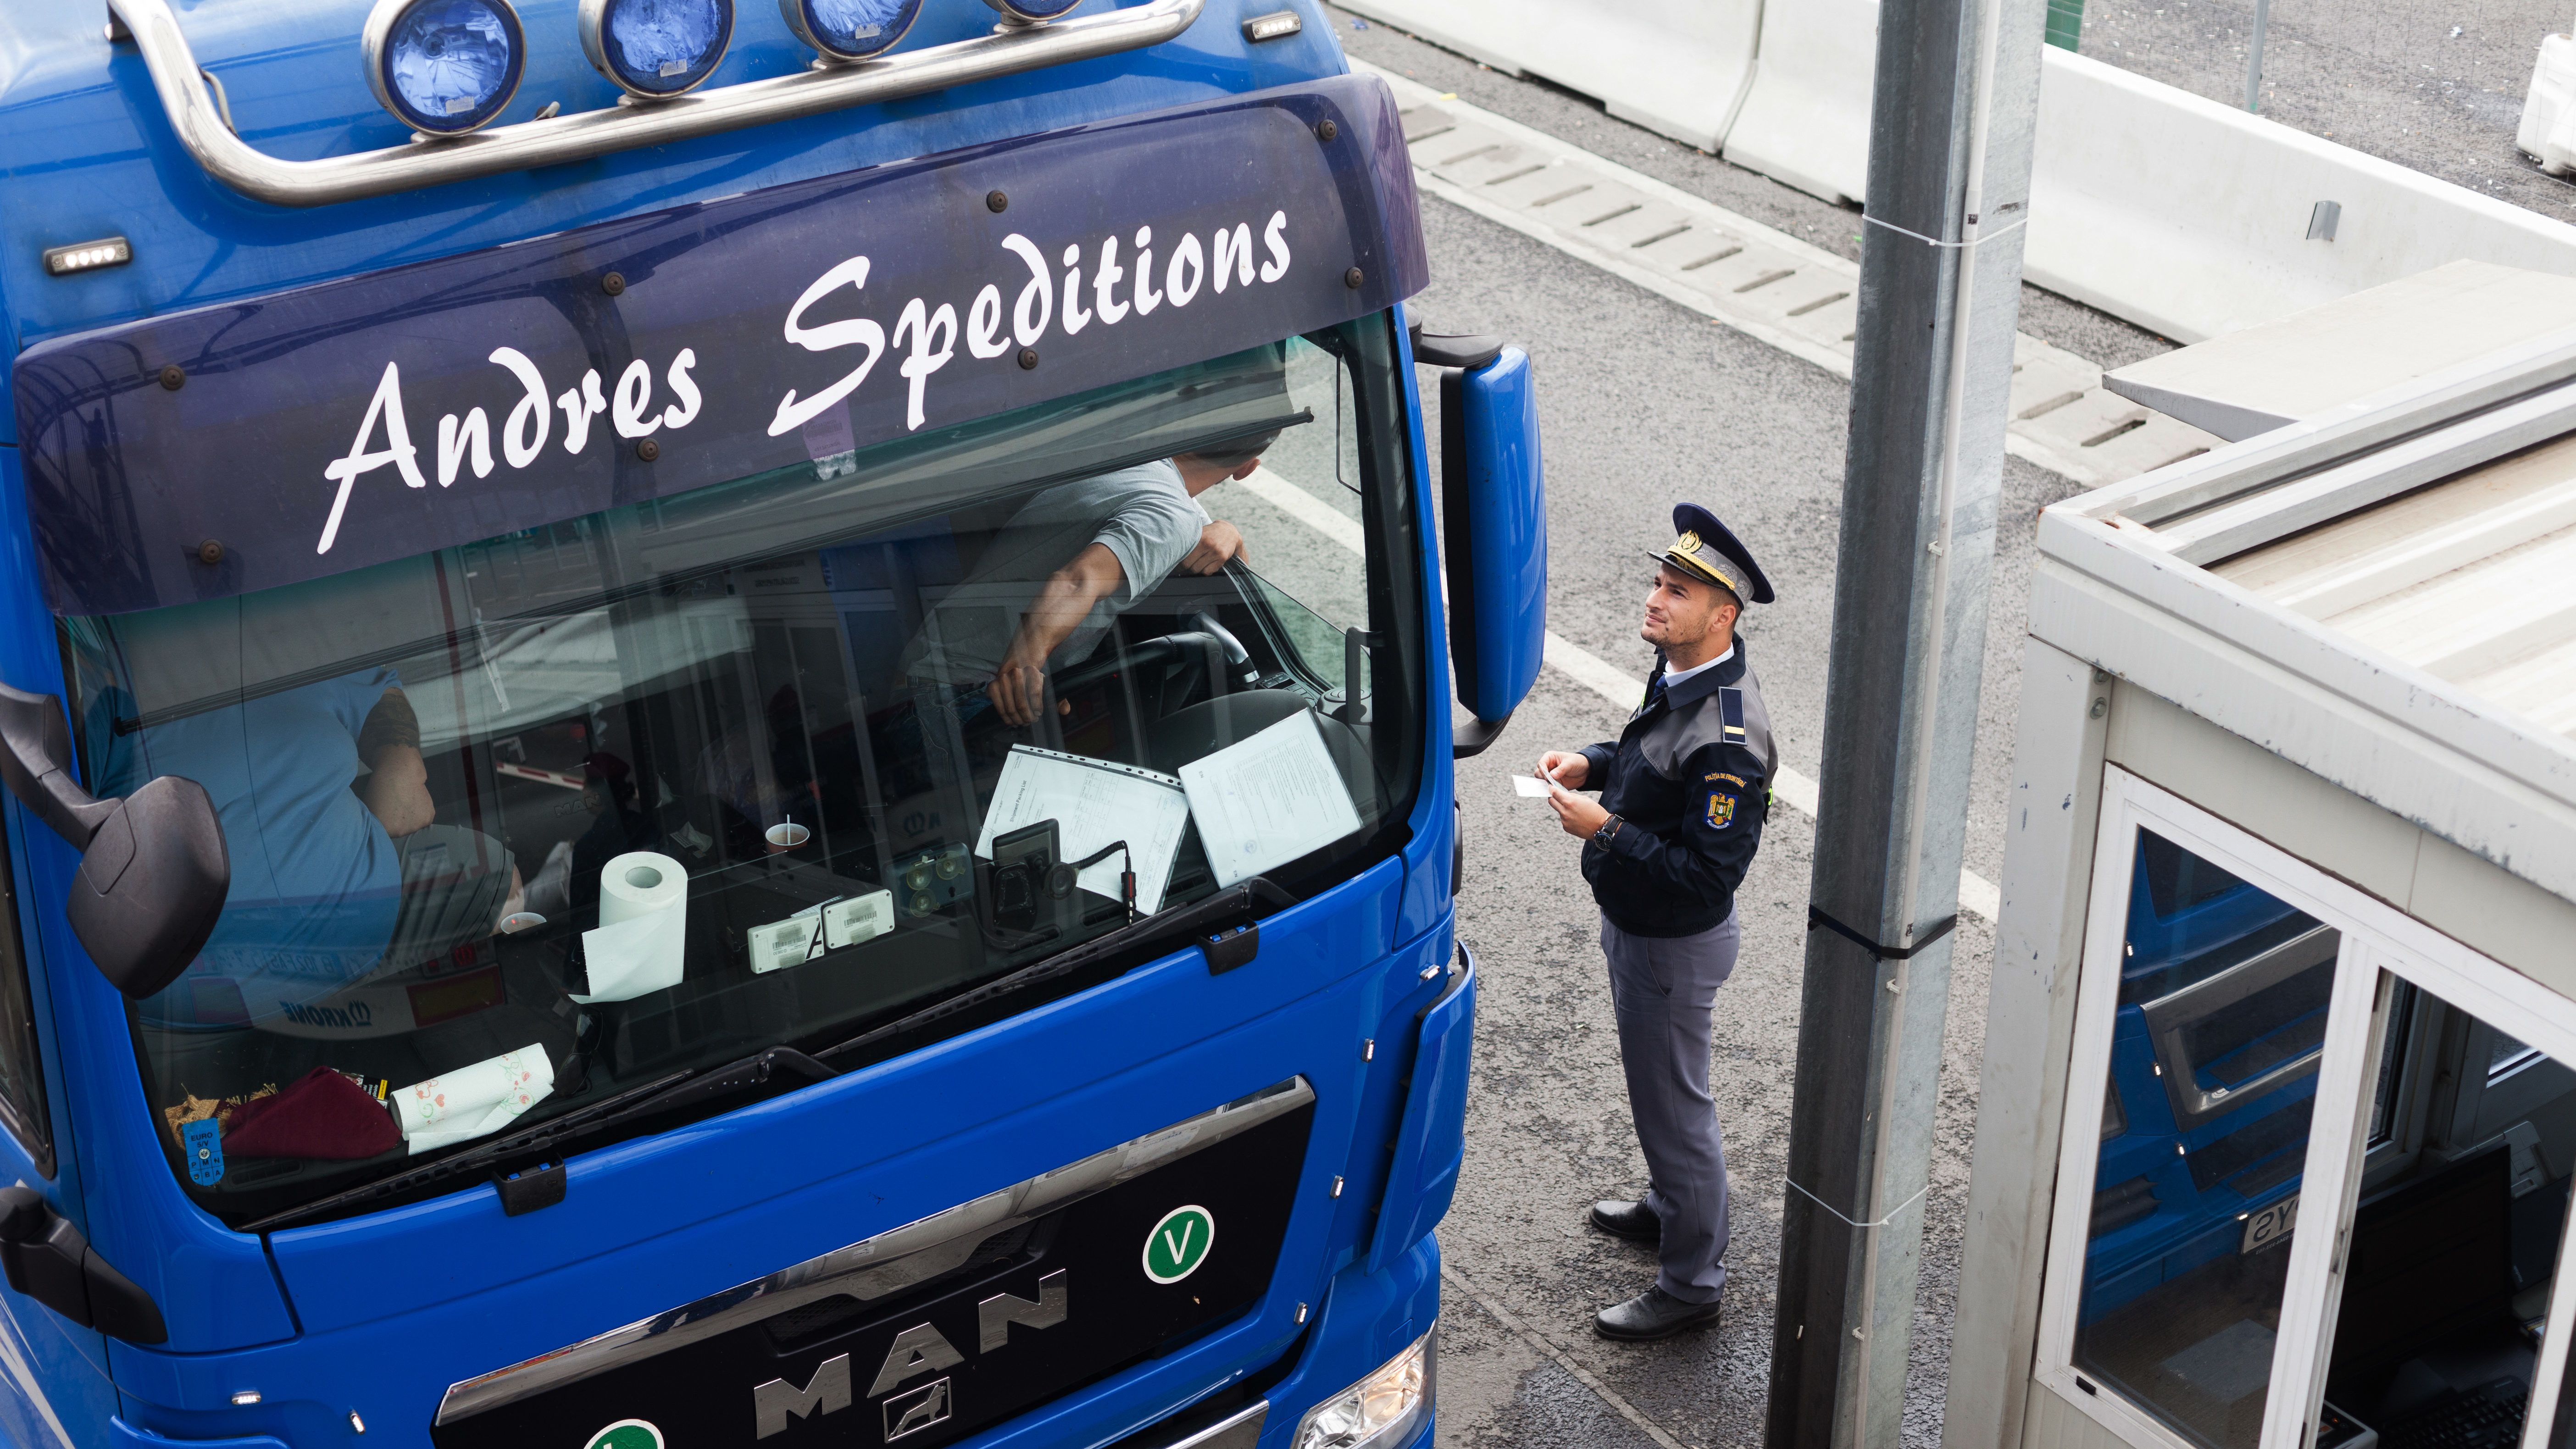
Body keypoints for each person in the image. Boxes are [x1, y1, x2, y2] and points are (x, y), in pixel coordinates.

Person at [1535, 504, 1778, 1342]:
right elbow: (1644, 754)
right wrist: (1594, 763)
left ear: (1724, 615)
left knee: (1678, 1113)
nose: (1654, 599)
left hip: (1672, 943)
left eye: (1676, 591)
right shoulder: (1680, 672)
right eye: (1657, 581)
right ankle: (1667, 1203)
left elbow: (1708, 871)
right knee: (1659, 1101)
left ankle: (1691, 1281)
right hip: (1638, 922)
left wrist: (1605, 827)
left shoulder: (1730, 741)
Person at [99, 671, 523, 1027]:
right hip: (180, 985)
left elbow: (378, 683)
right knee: (501, 889)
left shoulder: (299, 630)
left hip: (356, 901)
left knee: (504, 888)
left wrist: (401, 764)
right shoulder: (116, 690)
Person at [905, 431, 1279, 728]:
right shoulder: (1171, 516)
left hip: (929, 662)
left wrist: (1232, 534)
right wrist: (1023, 670)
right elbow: (1074, 582)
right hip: (963, 697)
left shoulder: (1131, 454)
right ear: (1247, 468)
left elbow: (1226, 572)